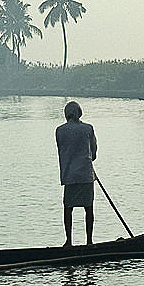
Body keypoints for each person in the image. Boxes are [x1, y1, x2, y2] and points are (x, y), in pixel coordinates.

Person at [55, 100, 97, 246]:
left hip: (69, 175)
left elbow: (62, 149)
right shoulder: (88, 129)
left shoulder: (60, 130)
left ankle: (69, 241)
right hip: (85, 175)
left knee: (68, 208)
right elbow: (94, 154)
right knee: (88, 208)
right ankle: (89, 241)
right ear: (79, 113)